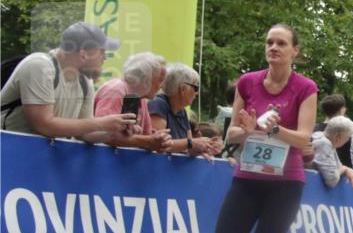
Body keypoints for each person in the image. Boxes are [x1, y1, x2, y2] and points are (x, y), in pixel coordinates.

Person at [212, 24, 318, 233]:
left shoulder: (305, 88)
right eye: (270, 42)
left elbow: (303, 138)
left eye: (281, 43)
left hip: (285, 184)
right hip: (248, 178)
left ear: (294, 51)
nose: (274, 47)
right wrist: (244, 130)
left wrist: (274, 130)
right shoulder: (248, 82)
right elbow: (232, 135)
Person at [1, 21, 135, 140]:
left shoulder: (84, 81)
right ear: (84, 54)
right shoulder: (39, 66)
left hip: (33, 156)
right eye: (102, 52)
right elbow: (43, 125)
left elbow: (84, 133)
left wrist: (113, 131)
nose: (105, 58)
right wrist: (101, 123)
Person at [92, 52, 172, 152]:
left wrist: (159, 138)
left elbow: (146, 136)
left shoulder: (140, 99)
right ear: (147, 81)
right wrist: (149, 141)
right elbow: (104, 134)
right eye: (160, 80)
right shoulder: (116, 90)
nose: (161, 86)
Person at [148, 63, 221, 157]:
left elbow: (189, 148)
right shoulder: (158, 104)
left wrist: (205, 148)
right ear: (183, 89)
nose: (197, 93)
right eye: (196, 88)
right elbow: (158, 145)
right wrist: (191, 143)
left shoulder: (182, 111)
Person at [311, 115, 353, 189]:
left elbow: (337, 166)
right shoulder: (324, 144)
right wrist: (345, 169)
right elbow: (332, 180)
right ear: (339, 137)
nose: (347, 140)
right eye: (348, 137)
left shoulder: (323, 139)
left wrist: (344, 169)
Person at [314, 93, 353, 171]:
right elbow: (350, 160)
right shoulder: (347, 131)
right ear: (342, 110)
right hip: (337, 175)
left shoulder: (314, 129)